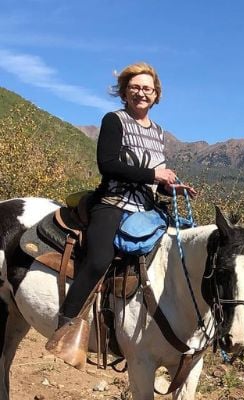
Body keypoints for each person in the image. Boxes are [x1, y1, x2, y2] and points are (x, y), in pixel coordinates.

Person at [45, 62, 194, 369]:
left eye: (147, 89)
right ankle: (66, 323)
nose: (141, 93)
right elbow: (108, 164)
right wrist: (154, 174)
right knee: (100, 258)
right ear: (124, 92)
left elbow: (153, 179)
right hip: (112, 202)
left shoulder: (159, 132)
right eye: (135, 87)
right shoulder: (115, 120)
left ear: (156, 95)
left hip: (146, 207)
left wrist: (172, 188)